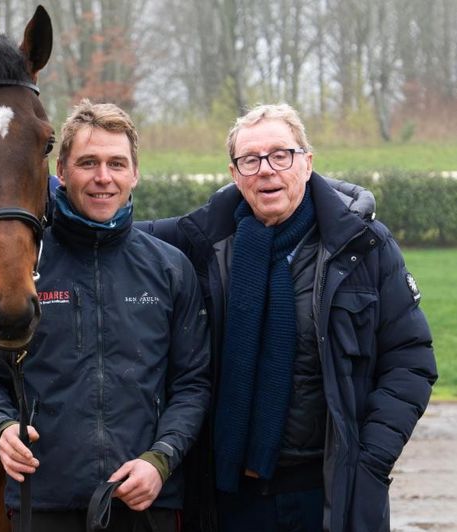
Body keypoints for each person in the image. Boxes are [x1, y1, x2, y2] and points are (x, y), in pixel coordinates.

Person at [139, 103, 437, 532]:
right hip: (228, 500)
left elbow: (410, 360)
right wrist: (47, 199)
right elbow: (119, 232)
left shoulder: (362, 246)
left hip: (328, 495)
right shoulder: (203, 242)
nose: (266, 170)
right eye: (250, 160)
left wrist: (368, 460)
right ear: (234, 173)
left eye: (281, 155)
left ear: (307, 162)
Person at [0, 100, 212, 532]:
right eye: (88, 163)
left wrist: (161, 460)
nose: (103, 178)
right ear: (61, 171)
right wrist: (0, 429)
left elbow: (193, 384)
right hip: (45, 504)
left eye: (117, 163)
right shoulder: (24, 270)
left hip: (146, 502)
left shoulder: (170, 269)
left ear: (135, 173)